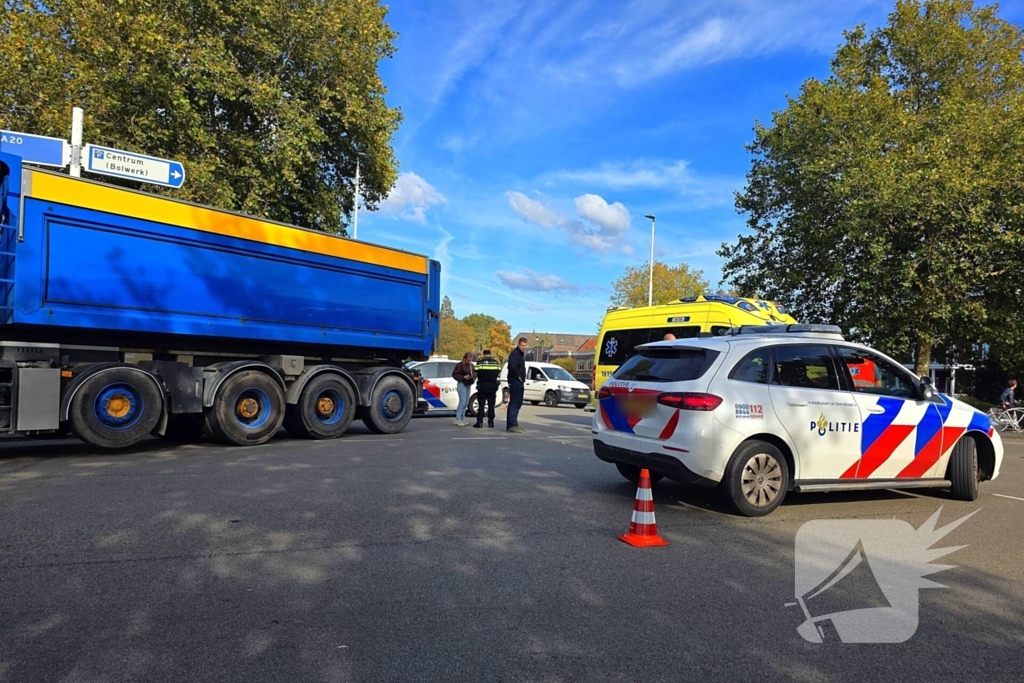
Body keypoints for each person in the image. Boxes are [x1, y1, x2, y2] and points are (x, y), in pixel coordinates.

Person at [472, 349, 501, 428]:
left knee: (481, 405)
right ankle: (491, 422)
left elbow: (475, 373)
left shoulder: (480, 362)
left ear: (483, 354)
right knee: (491, 405)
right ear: (490, 354)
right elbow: (498, 372)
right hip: (492, 386)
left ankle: (479, 422)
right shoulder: (496, 363)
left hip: (482, 386)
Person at [506, 337, 528, 433]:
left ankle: (515, 423)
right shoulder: (515, 354)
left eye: (525, 345)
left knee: (518, 403)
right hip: (515, 381)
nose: (524, 347)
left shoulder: (521, 354)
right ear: (518, 345)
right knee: (514, 403)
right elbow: (511, 366)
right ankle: (511, 425)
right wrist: (518, 376)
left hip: (519, 381)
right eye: (522, 345)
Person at [452, 352, 475, 426]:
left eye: (470, 360)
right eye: (468, 360)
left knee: (466, 402)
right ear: (464, 359)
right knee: (462, 401)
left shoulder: (471, 366)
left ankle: (462, 417)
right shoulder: (459, 365)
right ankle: (457, 418)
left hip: (468, 384)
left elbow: (474, 373)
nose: (469, 362)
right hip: (462, 384)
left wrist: (473, 377)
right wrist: (463, 377)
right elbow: (454, 374)